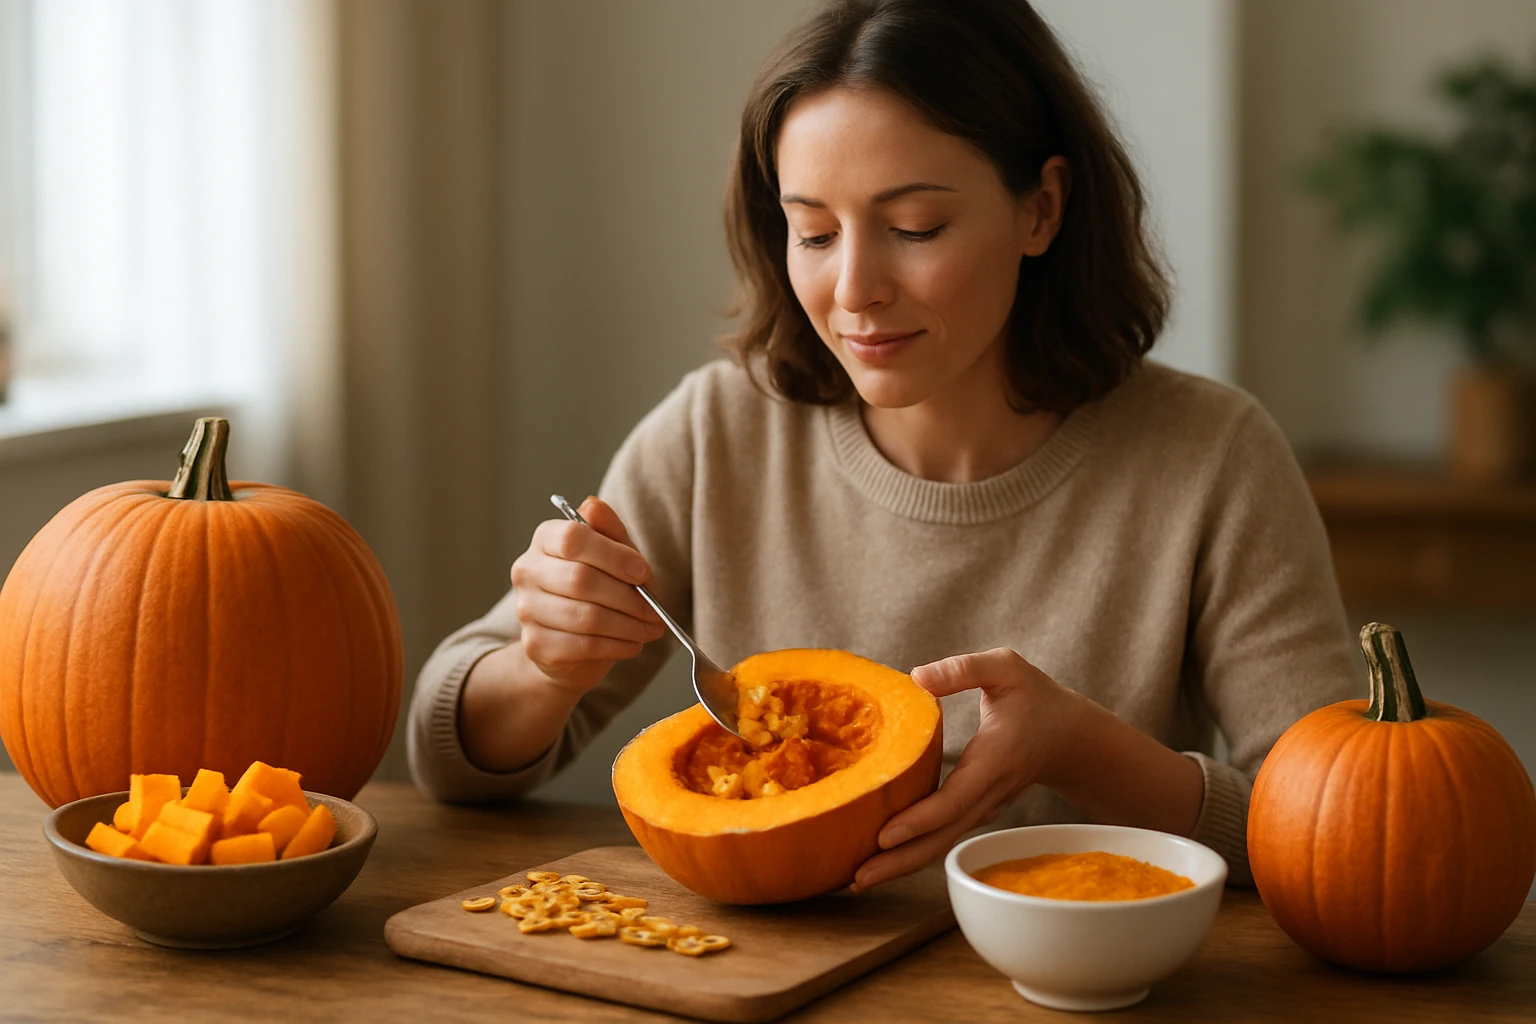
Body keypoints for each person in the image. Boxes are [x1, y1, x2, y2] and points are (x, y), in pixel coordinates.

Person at [407, 0, 1356, 889]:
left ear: (1043, 209)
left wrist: (1088, 755)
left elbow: (1337, 820)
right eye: (814, 233)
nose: (854, 289)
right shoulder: (717, 433)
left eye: (914, 226)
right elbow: (450, 756)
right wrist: (542, 670)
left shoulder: (1214, 456)